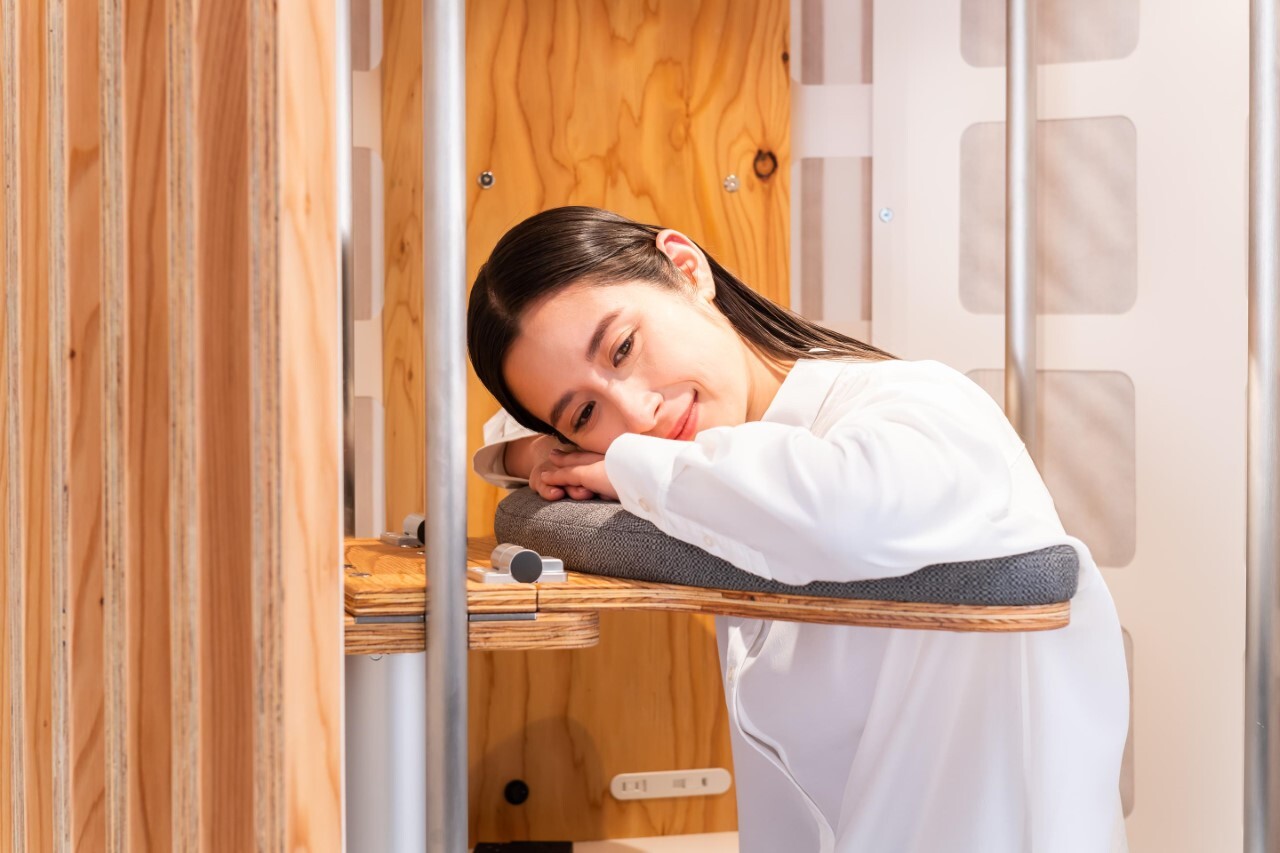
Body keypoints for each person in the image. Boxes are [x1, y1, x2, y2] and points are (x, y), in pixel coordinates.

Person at [466, 206, 1129, 853]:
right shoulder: (715, 468)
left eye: (623, 347)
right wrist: (532, 455)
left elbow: (841, 514)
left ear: (687, 267)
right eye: (584, 412)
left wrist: (621, 458)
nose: (638, 410)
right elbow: (505, 435)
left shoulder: (918, 404)